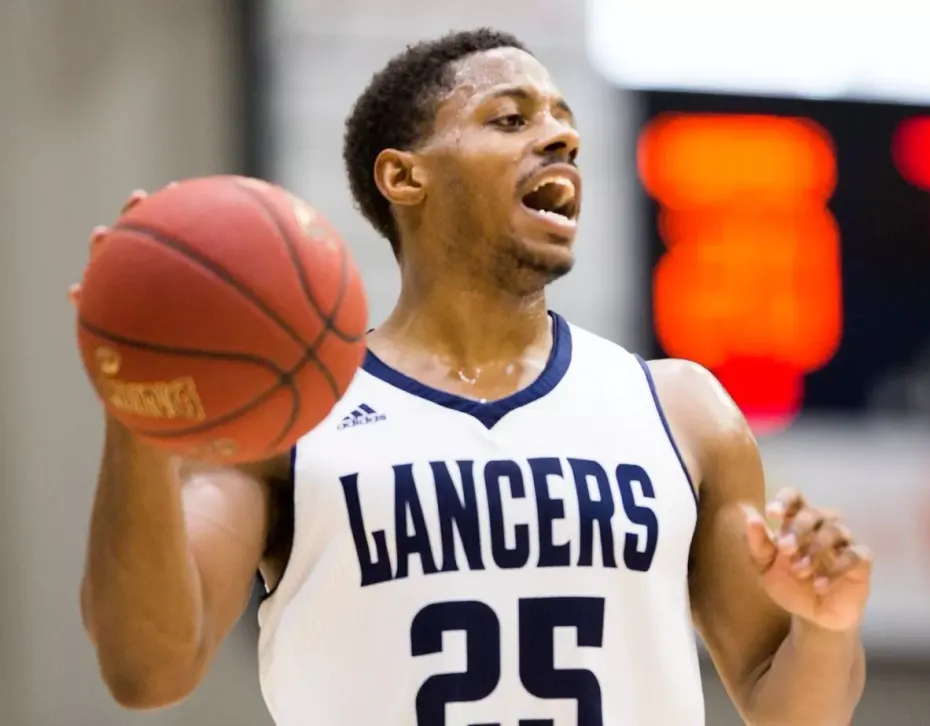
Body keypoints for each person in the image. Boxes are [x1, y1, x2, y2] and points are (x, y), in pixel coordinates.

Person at [76, 28, 870, 726]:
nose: (559, 139)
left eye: (566, 124)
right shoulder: (298, 417)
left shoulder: (683, 411)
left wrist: (827, 627)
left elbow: (788, 707)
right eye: (512, 118)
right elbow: (149, 672)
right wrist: (139, 400)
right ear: (403, 176)